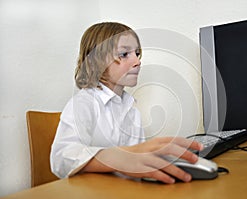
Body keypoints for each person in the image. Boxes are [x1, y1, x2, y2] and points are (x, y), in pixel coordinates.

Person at [50, 22, 203, 184]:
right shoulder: (83, 103)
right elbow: (61, 158)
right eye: (124, 54)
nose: (137, 61)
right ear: (96, 61)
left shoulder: (131, 111)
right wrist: (118, 158)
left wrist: (156, 158)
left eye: (137, 53)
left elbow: (136, 162)